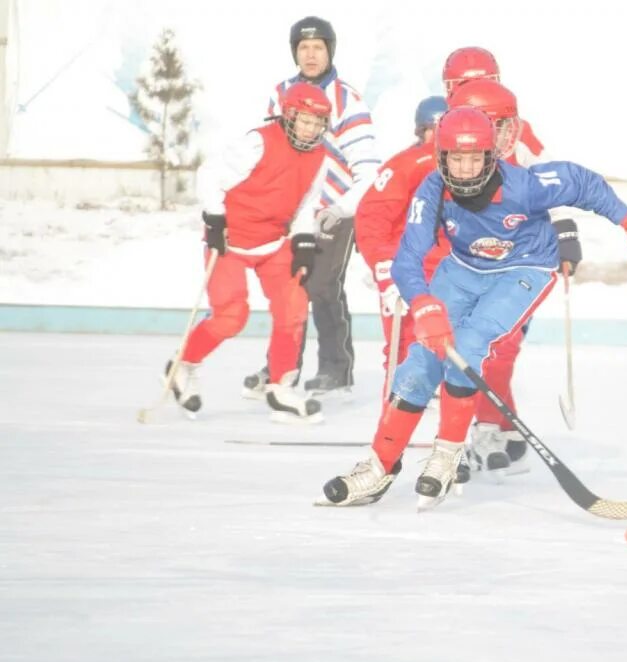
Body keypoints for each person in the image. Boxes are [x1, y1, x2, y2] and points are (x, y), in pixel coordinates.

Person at [319, 106, 627, 510]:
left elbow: (587, 185)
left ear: (491, 157)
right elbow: (407, 259)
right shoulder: (433, 189)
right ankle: (379, 467)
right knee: (419, 363)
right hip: (463, 267)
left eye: (475, 159)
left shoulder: (527, 185)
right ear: (442, 157)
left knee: (467, 348)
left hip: (525, 269)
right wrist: (423, 304)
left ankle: (447, 455)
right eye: (456, 158)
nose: (466, 169)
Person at [442, 47, 583, 476]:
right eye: (461, 87)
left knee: (497, 349)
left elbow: (553, 179)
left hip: (517, 259)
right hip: (462, 257)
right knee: (458, 348)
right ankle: (489, 430)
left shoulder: (519, 133)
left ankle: (486, 428)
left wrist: (566, 232)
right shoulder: (445, 133)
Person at [165, 82, 331, 423]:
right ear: (288, 115)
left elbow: (306, 202)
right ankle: (183, 365)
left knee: (293, 307)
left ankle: (281, 386)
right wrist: (213, 217)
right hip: (230, 240)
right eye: (305, 120)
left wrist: (302, 241)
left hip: (272, 242)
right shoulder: (258, 142)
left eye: (318, 123)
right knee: (231, 315)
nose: (311, 129)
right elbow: (210, 174)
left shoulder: (319, 157)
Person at [243, 16, 380, 399]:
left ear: (330, 51)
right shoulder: (280, 93)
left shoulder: (346, 99)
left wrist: (341, 208)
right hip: (290, 211)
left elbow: (367, 166)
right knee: (288, 290)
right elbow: (271, 149)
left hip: (335, 207)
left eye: (318, 47)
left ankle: (336, 368)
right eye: (303, 47)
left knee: (320, 285)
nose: (310, 54)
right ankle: (281, 369)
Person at [354, 95, 450, 394]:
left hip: (449, 269)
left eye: (443, 129)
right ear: (420, 132)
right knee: (403, 344)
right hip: (409, 268)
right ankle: (394, 419)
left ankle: (446, 415)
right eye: (430, 130)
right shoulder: (406, 165)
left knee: (454, 344)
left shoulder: (469, 165)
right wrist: (385, 269)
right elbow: (372, 218)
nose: (436, 139)